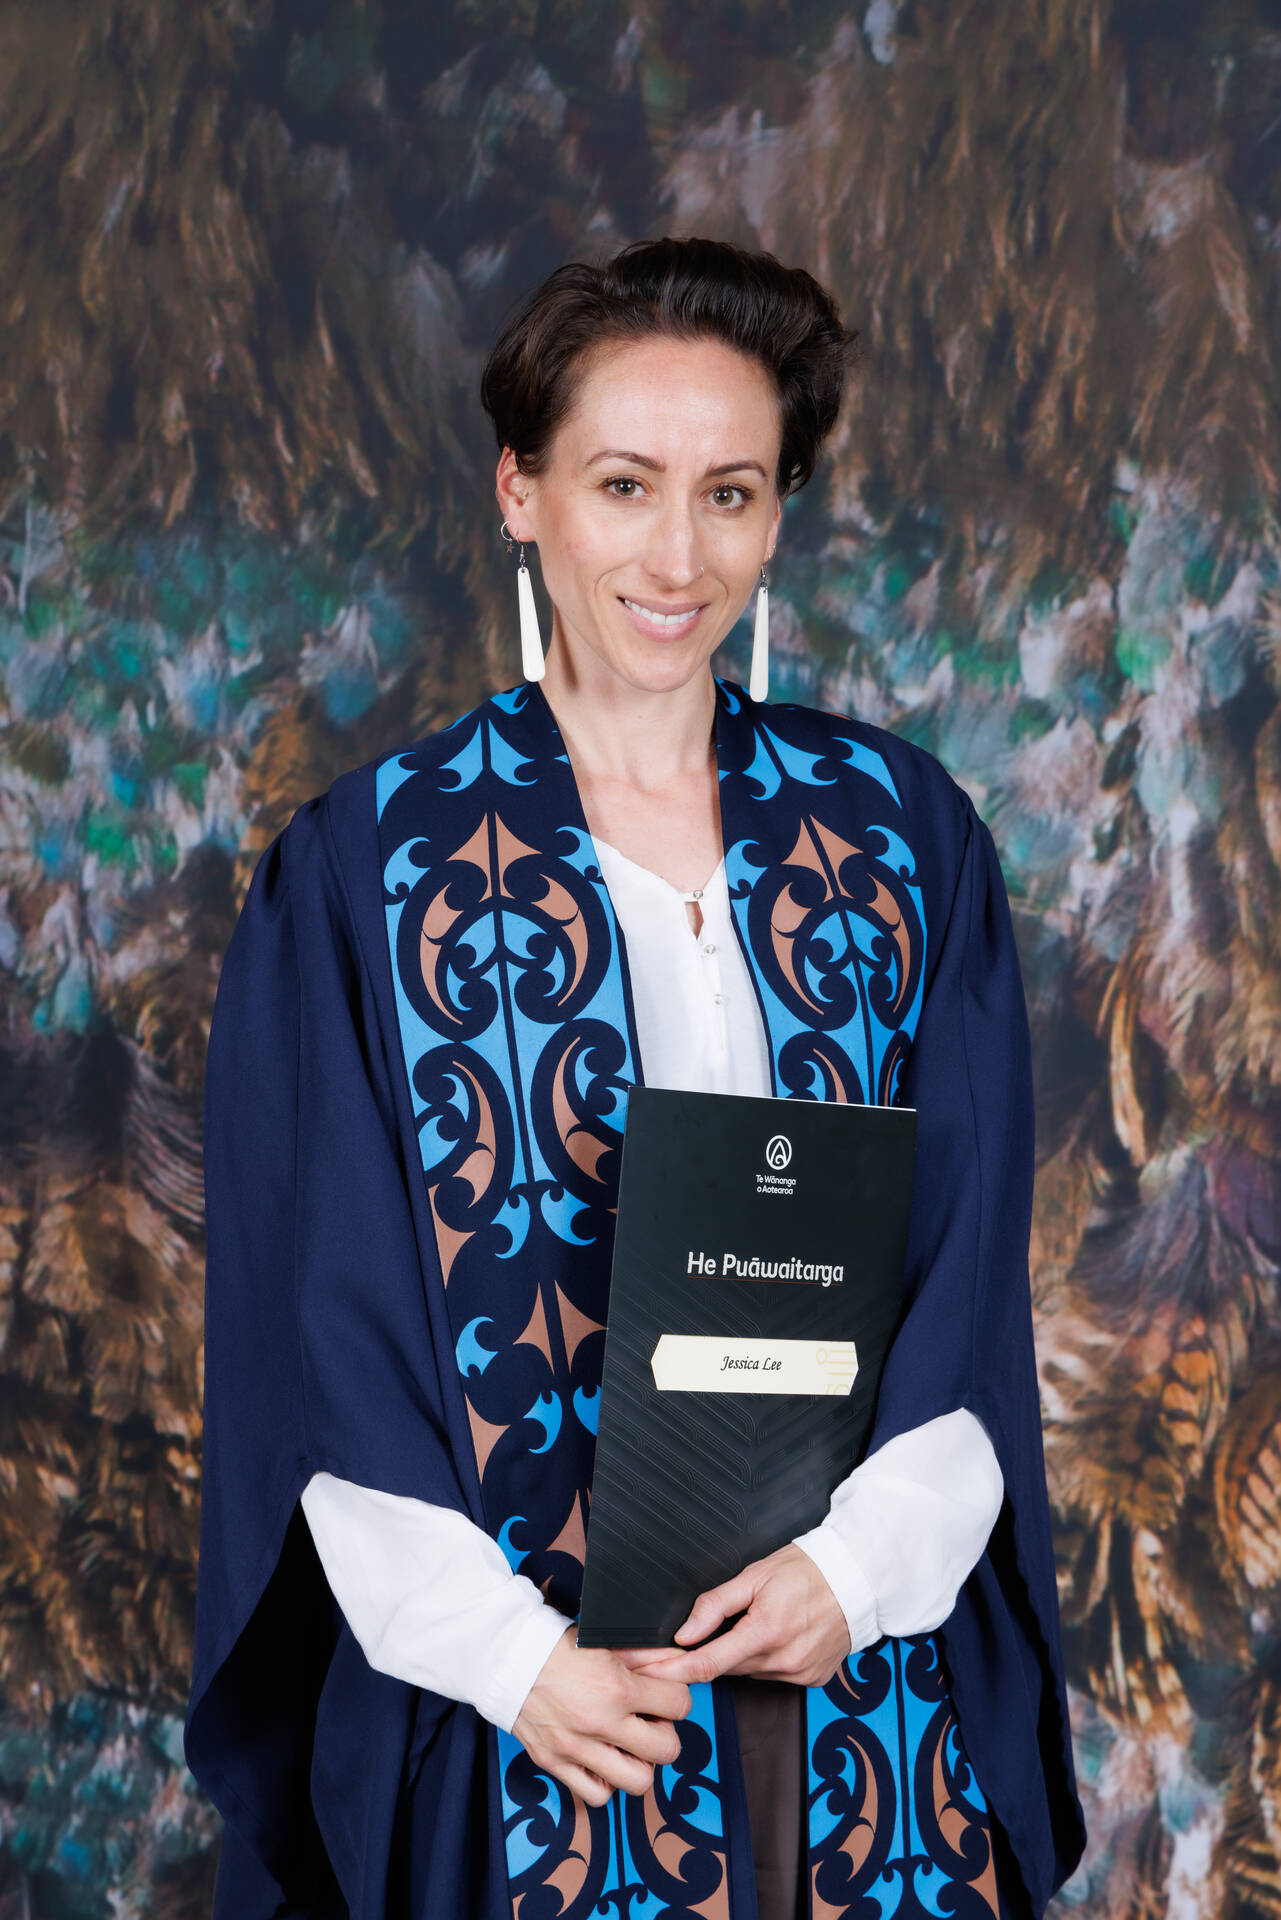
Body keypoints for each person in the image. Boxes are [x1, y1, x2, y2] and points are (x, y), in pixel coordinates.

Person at [184, 235, 1087, 1920]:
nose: (678, 557)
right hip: (532, 1711)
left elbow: (964, 1279)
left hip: (853, 1684)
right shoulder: (370, 874)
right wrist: (510, 1661)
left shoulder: (899, 840)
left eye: (729, 494)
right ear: (519, 492)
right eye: (623, 486)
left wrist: (857, 1568)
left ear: (777, 512)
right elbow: (324, 1336)